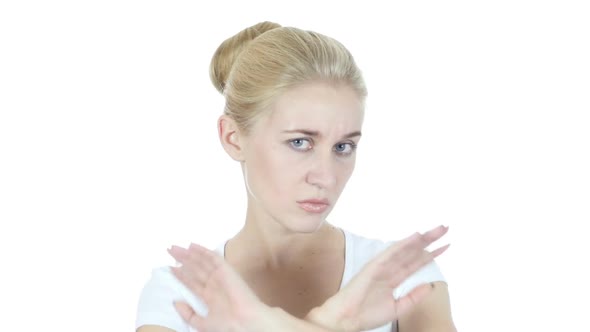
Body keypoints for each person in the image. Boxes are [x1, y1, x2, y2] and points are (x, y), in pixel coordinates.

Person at [135, 21, 456, 332]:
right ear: (233, 137)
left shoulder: (398, 276)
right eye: (299, 142)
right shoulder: (180, 294)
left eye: (343, 146)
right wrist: (330, 326)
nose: (326, 177)